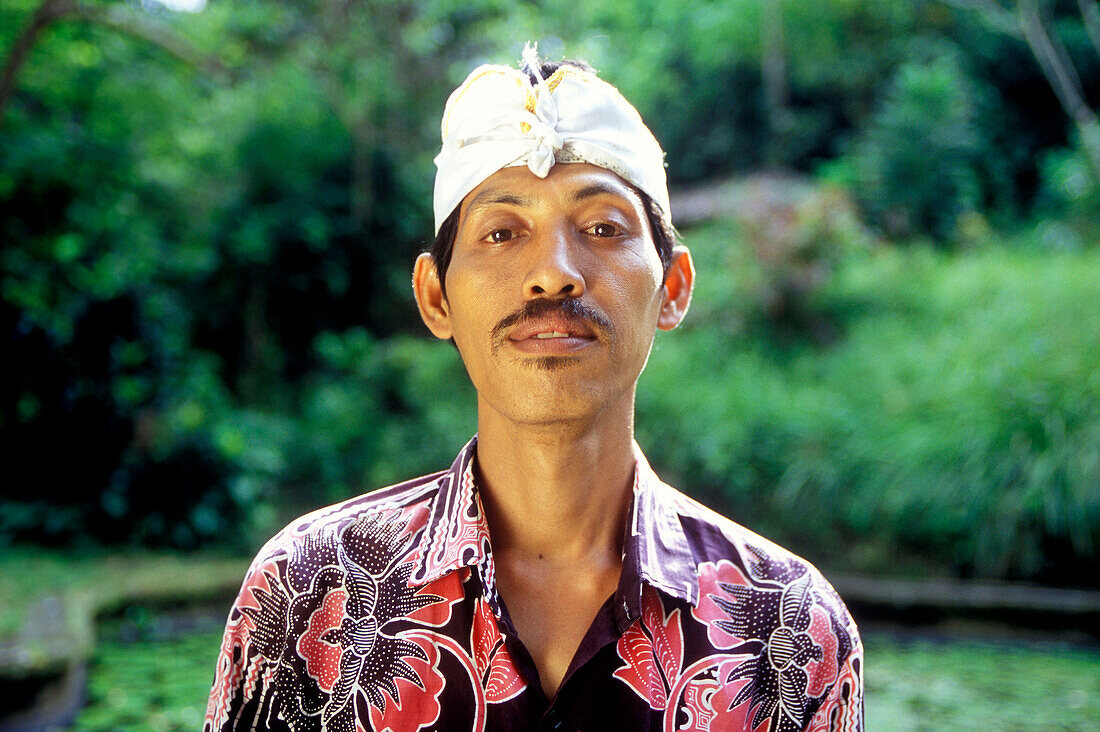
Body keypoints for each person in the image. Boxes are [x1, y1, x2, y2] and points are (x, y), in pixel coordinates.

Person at [204, 46, 863, 732]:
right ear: (435, 298)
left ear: (672, 288)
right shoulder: (306, 591)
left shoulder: (795, 631)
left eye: (604, 228)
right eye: (502, 231)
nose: (553, 274)